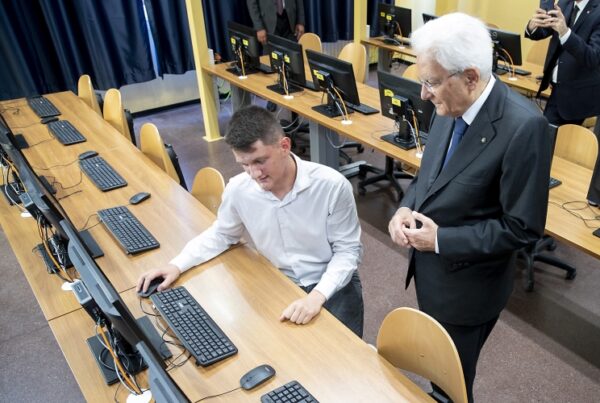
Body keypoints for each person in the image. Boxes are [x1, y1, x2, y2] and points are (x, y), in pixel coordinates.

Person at [387, 13, 552, 402]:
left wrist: (440, 240)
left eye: (430, 82)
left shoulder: (525, 127)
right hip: (432, 274)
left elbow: (522, 228)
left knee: (452, 387)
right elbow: (429, 177)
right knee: (435, 372)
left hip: (468, 290)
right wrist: (403, 208)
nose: (424, 93)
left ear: (471, 77)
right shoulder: (449, 102)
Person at [137, 105, 364, 337]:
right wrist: (177, 265)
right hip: (279, 282)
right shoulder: (239, 189)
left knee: (346, 362)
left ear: (284, 146)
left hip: (333, 287)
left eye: (259, 161)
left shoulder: (332, 186)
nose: (254, 174)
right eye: (244, 165)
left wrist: (316, 297)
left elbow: (347, 252)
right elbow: (222, 234)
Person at [525, 0, 600, 204]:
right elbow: (544, 31)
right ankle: (540, 191)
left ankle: (546, 196)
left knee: (562, 154)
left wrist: (565, 32)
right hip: (557, 89)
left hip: (580, 96)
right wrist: (533, 26)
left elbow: (593, 57)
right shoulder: (565, 3)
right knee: (544, 144)